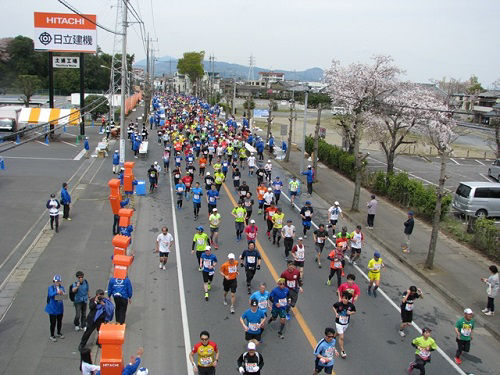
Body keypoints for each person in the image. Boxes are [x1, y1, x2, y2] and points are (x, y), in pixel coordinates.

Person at [332, 292, 356, 358]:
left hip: (346, 323)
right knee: (341, 337)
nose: (344, 299)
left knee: (340, 333)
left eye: (345, 299)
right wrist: (336, 313)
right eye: (343, 298)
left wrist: (350, 312)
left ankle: (333, 336)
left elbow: (354, 311)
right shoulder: (339, 304)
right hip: (338, 322)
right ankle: (342, 351)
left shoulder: (351, 305)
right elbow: (333, 307)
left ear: (348, 299)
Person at [45, 274, 65, 342]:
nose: (57, 283)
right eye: (56, 281)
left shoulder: (62, 288)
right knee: (53, 322)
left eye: (59, 281)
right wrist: (57, 292)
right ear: (54, 281)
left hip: (60, 308)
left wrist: (62, 294)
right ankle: (52, 335)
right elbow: (50, 295)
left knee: (59, 321)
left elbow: (64, 297)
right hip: (52, 309)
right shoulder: (51, 288)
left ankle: (59, 332)